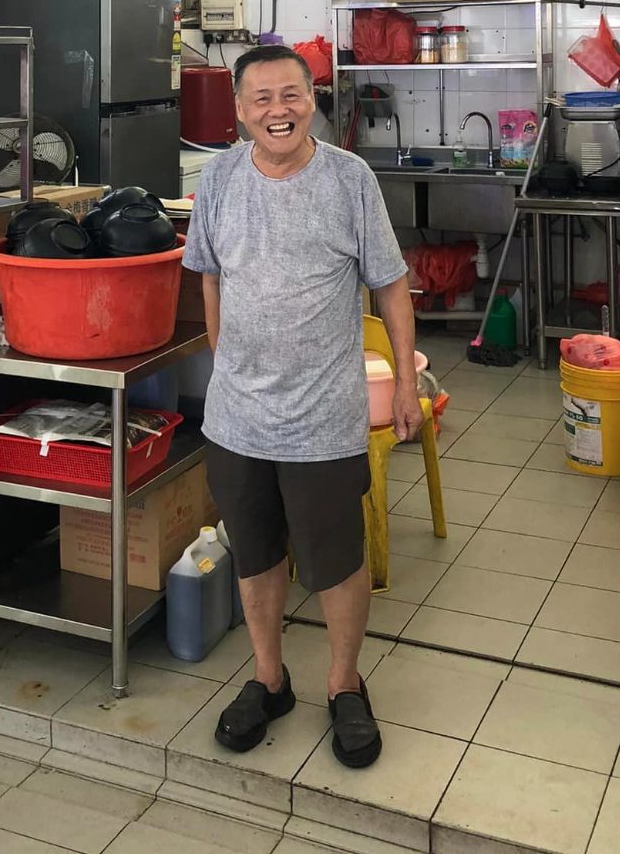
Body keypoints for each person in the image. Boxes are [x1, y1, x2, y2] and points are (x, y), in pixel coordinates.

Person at [182, 44, 421, 770]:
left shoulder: (349, 179)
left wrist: (407, 383)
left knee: (336, 560)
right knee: (254, 554)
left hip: (323, 417)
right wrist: (225, 367)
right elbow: (210, 279)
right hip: (237, 419)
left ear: (312, 98)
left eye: (290, 94)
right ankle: (268, 678)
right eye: (261, 98)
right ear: (239, 110)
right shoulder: (219, 177)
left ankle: (345, 684)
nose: (276, 110)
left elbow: (391, 285)